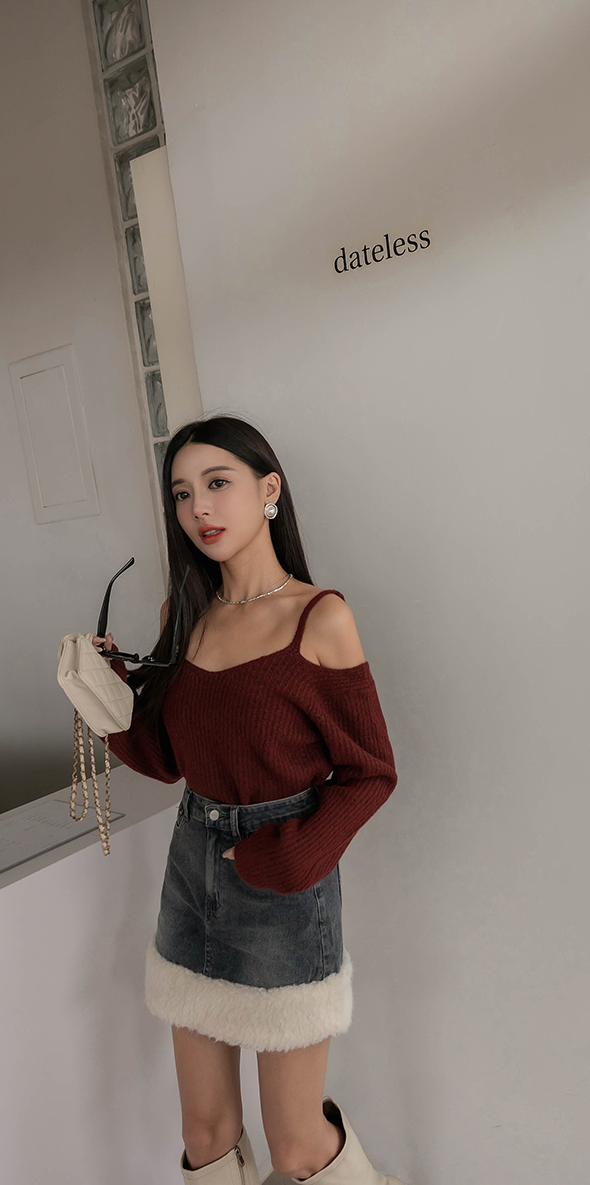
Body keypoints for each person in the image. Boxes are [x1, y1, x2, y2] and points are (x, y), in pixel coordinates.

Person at [95, 414, 403, 1185]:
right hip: (189, 875)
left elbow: (371, 771)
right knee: (205, 1133)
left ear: (269, 490)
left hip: (284, 884)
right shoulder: (186, 617)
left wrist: (294, 858)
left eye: (217, 483)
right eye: (181, 493)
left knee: (296, 1146)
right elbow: (166, 761)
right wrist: (109, 695)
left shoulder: (319, 617)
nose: (199, 507)